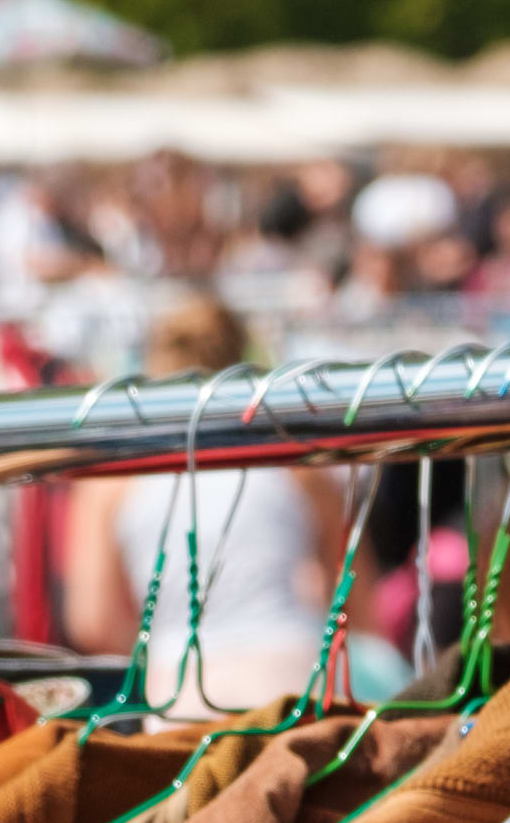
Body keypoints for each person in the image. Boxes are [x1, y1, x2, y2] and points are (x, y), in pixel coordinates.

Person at [57, 297, 332, 713]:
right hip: (294, 673)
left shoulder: (113, 480)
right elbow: (355, 602)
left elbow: (92, 620)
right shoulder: (297, 465)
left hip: (180, 685)